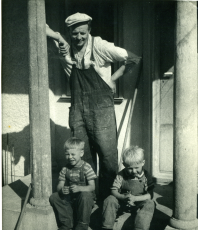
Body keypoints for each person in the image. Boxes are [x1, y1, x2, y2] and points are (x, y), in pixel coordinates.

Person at [46, 12, 141, 200]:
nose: (79, 37)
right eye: (74, 33)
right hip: (78, 110)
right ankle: (87, 201)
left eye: (82, 33)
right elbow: (37, 24)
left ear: (89, 30)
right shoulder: (64, 47)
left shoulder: (99, 46)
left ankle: (108, 200)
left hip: (102, 110)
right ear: (69, 32)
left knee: (108, 159)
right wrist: (58, 37)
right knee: (83, 158)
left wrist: (112, 80)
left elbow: (132, 58)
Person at [93, 146, 155, 230]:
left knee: (150, 204)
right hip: (123, 201)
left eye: (136, 168)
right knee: (109, 199)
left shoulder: (146, 176)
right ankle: (106, 228)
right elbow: (113, 190)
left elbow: (150, 195)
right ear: (124, 165)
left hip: (139, 202)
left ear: (143, 163)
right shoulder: (121, 175)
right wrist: (122, 197)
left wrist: (135, 199)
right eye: (130, 168)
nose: (134, 171)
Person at [49, 137, 96, 230]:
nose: (70, 157)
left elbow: (92, 187)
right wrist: (62, 189)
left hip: (84, 200)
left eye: (73, 154)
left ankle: (81, 228)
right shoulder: (65, 169)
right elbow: (59, 185)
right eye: (67, 154)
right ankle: (67, 222)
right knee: (54, 197)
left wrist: (80, 188)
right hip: (71, 199)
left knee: (85, 195)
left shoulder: (86, 167)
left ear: (81, 153)